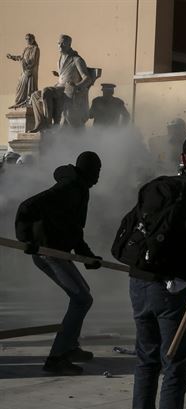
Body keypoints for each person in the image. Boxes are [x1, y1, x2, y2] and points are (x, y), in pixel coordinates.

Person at [125, 132, 186, 409]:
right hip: (171, 287)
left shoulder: (158, 186)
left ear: (182, 159)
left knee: (147, 358)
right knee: (176, 363)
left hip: (138, 280)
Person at [15, 151, 103, 375]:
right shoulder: (69, 189)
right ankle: (56, 358)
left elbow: (73, 230)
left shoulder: (78, 188)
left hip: (58, 251)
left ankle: (71, 347)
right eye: (96, 171)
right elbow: (27, 206)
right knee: (82, 299)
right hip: (48, 252)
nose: (98, 177)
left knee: (84, 295)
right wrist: (26, 240)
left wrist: (87, 256)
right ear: (88, 171)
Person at [29, 34, 94, 132]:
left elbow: (87, 78)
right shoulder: (59, 60)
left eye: (63, 44)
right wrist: (58, 75)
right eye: (59, 43)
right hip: (58, 87)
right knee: (35, 95)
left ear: (69, 45)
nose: (60, 46)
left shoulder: (77, 59)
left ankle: (48, 124)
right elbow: (64, 75)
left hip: (67, 89)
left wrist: (76, 86)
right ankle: (40, 123)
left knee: (46, 91)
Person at [6, 33, 40, 109]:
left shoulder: (35, 49)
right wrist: (12, 57)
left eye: (29, 39)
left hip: (30, 72)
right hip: (24, 71)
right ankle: (19, 103)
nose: (27, 40)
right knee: (19, 87)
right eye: (26, 39)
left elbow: (33, 61)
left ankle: (27, 102)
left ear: (33, 39)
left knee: (28, 89)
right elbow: (21, 57)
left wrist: (24, 61)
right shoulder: (26, 49)